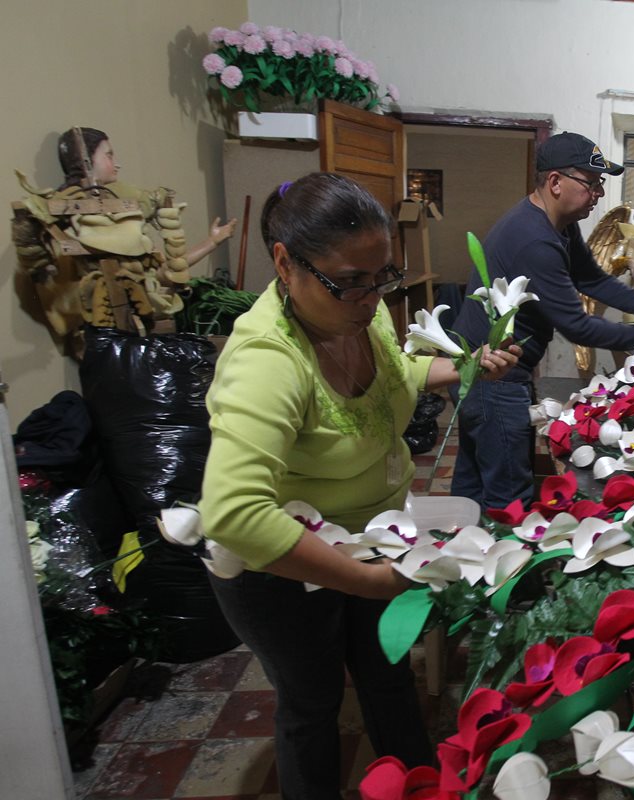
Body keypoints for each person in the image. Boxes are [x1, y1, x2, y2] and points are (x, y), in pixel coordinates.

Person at [199, 172, 520, 799]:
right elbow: (233, 513)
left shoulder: (358, 315)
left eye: (383, 278)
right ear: (286, 264)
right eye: (351, 282)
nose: (372, 299)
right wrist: (372, 580)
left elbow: (396, 374)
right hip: (284, 566)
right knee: (312, 706)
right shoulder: (268, 358)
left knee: (388, 678)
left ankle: (422, 787)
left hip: (373, 536)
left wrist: (464, 366)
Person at [450, 131, 634, 509]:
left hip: (489, 369)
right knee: (507, 494)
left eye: (600, 184)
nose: (598, 194)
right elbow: (578, 327)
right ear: (555, 182)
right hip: (492, 376)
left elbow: (591, 278)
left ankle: (459, 552)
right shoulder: (535, 240)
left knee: (475, 480)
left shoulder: (559, 224)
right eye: (592, 183)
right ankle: (495, 559)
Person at [12, 126, 238, 352]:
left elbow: (165, 272)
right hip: (104, 343)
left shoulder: (124, 213)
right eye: (109, 155)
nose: (116, 163)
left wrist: (213, 242)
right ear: (86, 162)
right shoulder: (71, 222)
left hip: (136, 336)